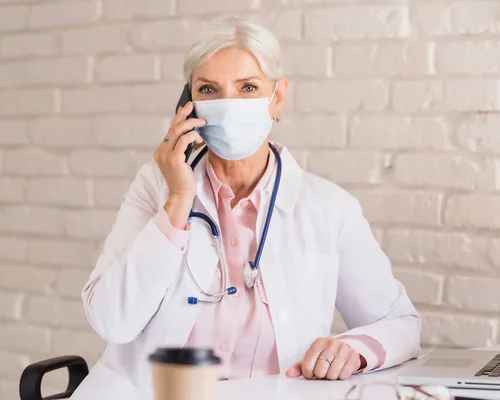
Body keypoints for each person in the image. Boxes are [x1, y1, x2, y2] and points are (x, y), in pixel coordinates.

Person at [72, 17, 421, 400]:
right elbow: (113, 321)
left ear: (278, 98)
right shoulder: (157, 185)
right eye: (209, 89)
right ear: (188, 104)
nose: (229, 105)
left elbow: (399, 323)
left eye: (248, 88)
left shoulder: (328, 207)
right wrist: (177, 199)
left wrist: (357, 349)